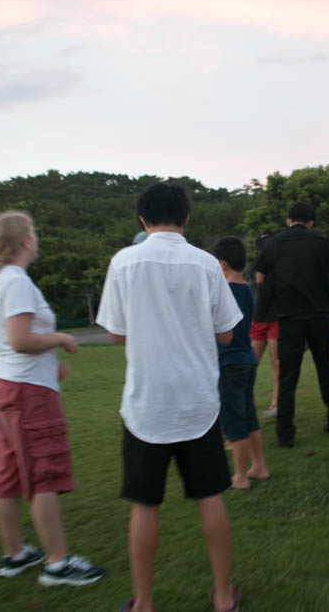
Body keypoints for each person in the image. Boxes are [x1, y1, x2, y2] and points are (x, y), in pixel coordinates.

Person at [96, 184, 243, 612]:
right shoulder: (205, 264)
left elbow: (116, 332)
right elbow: (227, 332)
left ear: (142, 219)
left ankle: (143, 603)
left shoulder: (124, 262)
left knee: (145, 504)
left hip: (146, 404)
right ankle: (221, 595)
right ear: (187, 217)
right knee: (210, 496)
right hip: (198, 401)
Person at [0, 210, 105, 586]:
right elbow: (20, 339)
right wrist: (61, 340)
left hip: (5, 385)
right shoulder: (15, 280)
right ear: (25, 240)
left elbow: (6, 342)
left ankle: (14, 555)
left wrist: (50, 364)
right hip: (26, 393)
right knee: (43, 475)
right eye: (33, 233)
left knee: (10, 474)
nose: (37, 239)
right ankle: (57, 564)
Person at [254, 201, 329, 447]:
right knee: (325, 369)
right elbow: (322, 275)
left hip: (289, 318)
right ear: (310, 222)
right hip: (318, 315)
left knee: (287, 376)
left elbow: (260, 275)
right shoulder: (320, 243)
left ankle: (286, 433)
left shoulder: (274, 244)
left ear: (288, 220)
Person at [212, 236, 271, 490]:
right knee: (248, 416)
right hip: (246, 360)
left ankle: (240, 476)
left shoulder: (222, 293)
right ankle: (259, 466)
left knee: (235, 419)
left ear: (222, 264)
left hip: (230, 363)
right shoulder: (247, 289)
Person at [247, 232, 279, 416]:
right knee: (251, 362)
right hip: (260, 317)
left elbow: (259, 280)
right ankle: (246, 398)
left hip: (275, 317)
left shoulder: (279, 264)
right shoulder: (257, 264)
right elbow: (257, 280)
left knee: (276, 362)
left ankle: (276, 402)